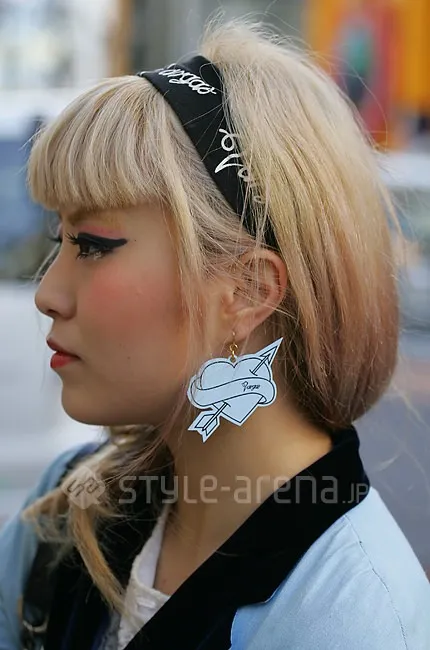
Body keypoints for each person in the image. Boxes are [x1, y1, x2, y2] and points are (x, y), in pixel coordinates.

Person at [1, 19, 429, 650]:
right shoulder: (68, 509)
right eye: (57, 238)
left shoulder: (352, 619)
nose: (48, 294)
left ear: (248, 291)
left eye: (91, 245)